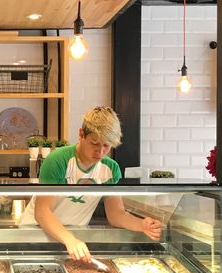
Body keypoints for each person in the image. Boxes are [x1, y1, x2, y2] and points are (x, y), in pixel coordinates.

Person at [19, 106, 162, 261]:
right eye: (94, 143)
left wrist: (143, 225)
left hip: (74, 240)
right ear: (81, 134)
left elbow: (116, 215)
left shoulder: (111, 169)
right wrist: (70, 240)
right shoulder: (57, 160)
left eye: (106, 146)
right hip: (36, 236)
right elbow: (42, 212)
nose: (100, 152)